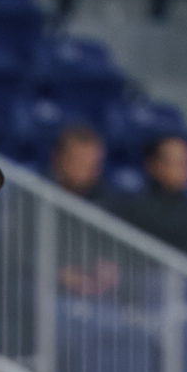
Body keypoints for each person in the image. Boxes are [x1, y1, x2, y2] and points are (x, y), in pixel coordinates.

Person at [113, 133, 187, 273]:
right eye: (176, 162)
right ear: (153, 164)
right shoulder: (132, 207)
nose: (184, 169)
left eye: (186, 162)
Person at [49, 125, 121, 298]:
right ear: (58, 158)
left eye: (92, 165)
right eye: (78, 162)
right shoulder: (34, 195)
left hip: (94, 290)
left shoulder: (104, 200)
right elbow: (17, 255)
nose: (86, 171)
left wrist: (109, 267)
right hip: (46, 287)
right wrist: (59, 273)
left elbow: (115, 251)